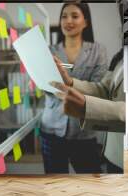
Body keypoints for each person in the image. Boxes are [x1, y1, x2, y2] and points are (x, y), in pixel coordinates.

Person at [40, 2, 108, 173]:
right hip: (52, 129)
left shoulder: (98, 51)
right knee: (55, 185)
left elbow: (99, 89)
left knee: (91, 185)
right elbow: (45, 87)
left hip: (84, 131)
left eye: (75, 16)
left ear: (86, 22)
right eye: (64, 16)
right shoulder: (49, 52)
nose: (68, 21)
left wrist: (66, 83)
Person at [51, 49, 125, 173]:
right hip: (113, 154)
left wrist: (88, 107)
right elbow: (105, 90)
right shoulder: (122, 55)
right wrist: (70, 82)